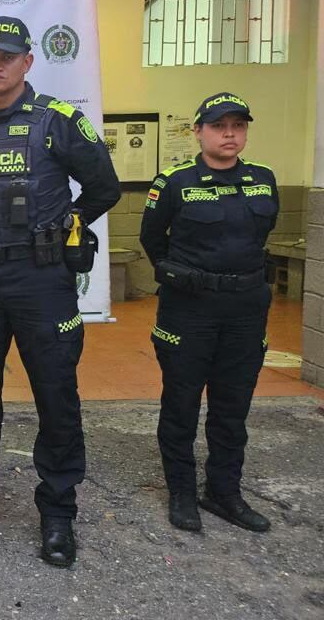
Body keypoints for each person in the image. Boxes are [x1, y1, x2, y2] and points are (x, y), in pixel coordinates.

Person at [0, 16, 120, 568]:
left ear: (27, 62)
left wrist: (68, 222)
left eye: (6, 56)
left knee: (56, 395)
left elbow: (104, 187)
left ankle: (57, 512)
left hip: (41, 280)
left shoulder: (58, 122)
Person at [140, 93, 276, 534]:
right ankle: (181, 491)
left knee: (232, 406)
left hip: (245, 309)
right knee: (180, 403)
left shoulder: (263, 179)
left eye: (238, 125)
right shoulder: (174, 182)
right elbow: (152, 240)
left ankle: (224, 492)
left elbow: (260, 236)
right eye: (219, 126)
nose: (230, 134)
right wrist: (185, 276)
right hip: (190, 310)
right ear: (199, 131)